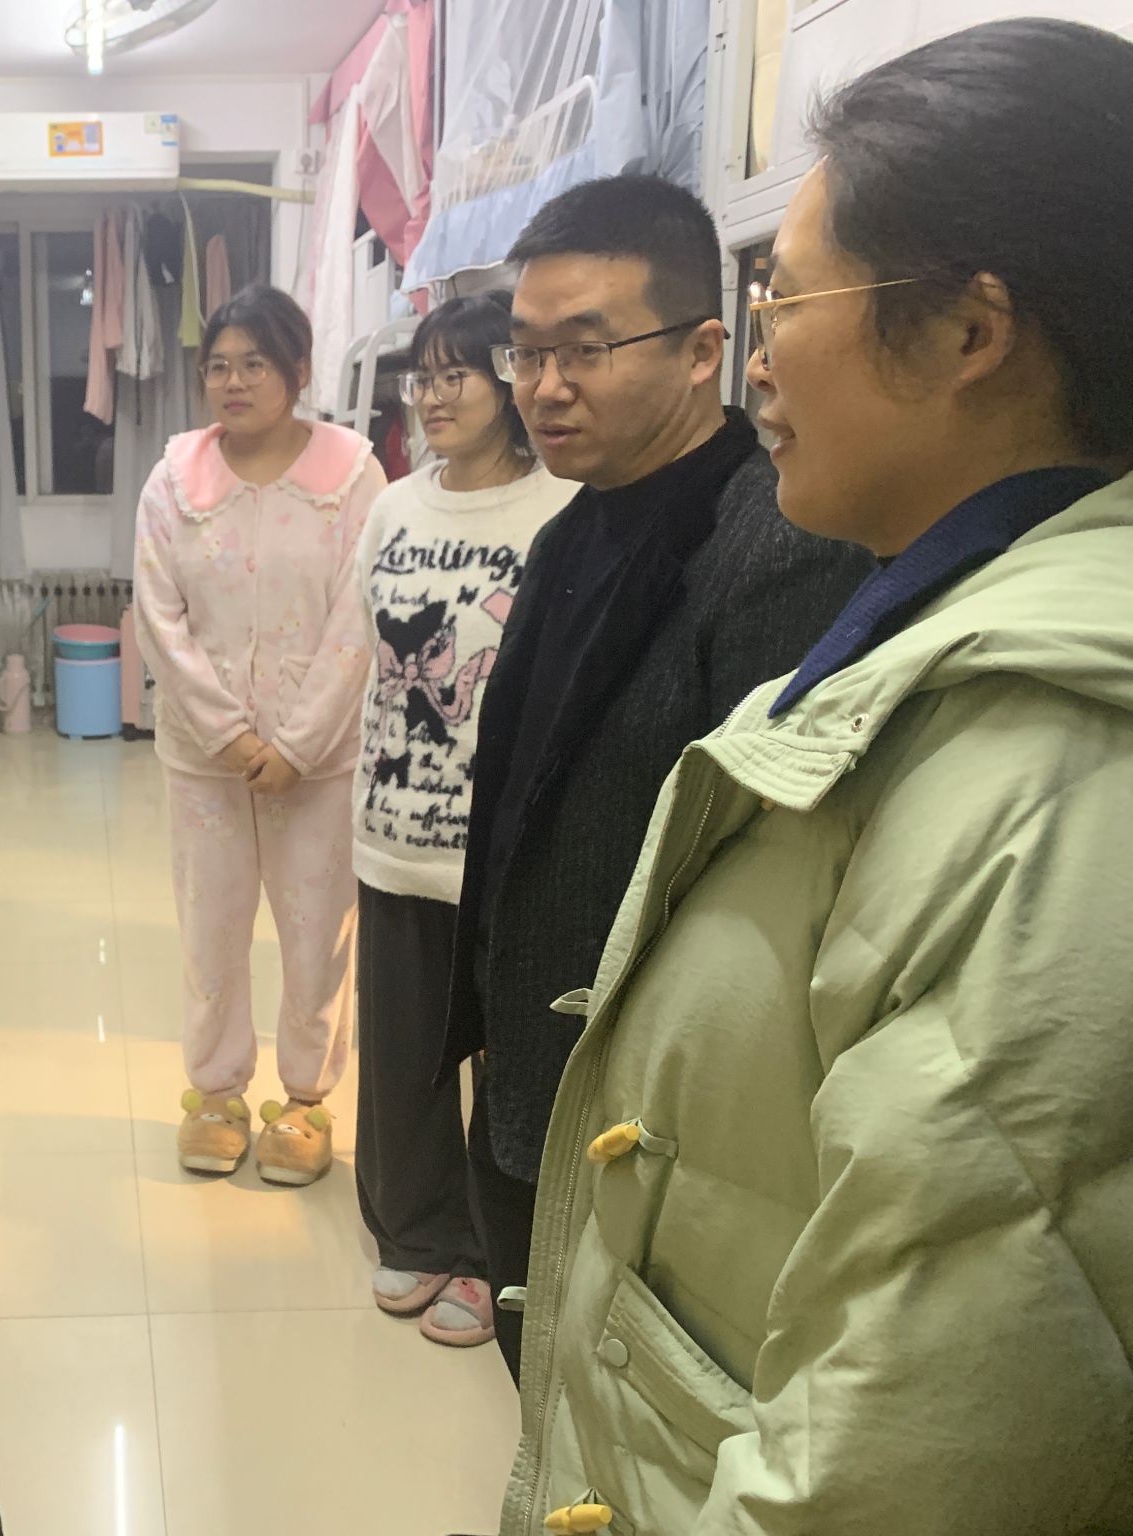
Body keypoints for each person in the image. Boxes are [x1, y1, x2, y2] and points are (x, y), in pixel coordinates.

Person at [502, 20, 1133, 1536]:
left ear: (970, 333)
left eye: (785, 296)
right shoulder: (927, 635)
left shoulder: (1054, 770)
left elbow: (907, 1450)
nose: (762, 351)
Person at [445, 174, 871, 1379]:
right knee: (537, 1371)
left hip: (650, 1120)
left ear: (700, 351)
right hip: (531, 1062)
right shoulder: (569, 529)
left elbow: (764, 887)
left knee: (617, 1405)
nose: (543, 387)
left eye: (584, 350)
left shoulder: (776, 546)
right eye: (525, 353)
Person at [350, 293, 573, 1345]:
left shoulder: (558, 508)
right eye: (421, 378)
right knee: (400, 1051)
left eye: (456, 375)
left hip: (501, 843)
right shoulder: (392, 507)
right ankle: (415, 1230)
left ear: (507, 381)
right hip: (394, 826)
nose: (432, 398)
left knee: (501, 1058)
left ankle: (490, 1256)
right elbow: (372, 652)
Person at [134, 284, 387, 1188]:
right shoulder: (174, 480)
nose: (233, 382)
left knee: (318, 936)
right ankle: (215, 1093)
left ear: (298, 371)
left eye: (255, 364)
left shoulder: (355, 477)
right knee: (211, 929)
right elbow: (158, 617)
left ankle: (307, 1100)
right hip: (204, 760)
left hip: (319, 761)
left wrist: (299, 743)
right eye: (218, 366)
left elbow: (361, 618)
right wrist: (233, 739)